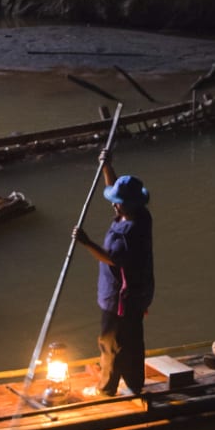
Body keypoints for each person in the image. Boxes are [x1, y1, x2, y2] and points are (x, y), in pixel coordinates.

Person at [72, 157, 154, 398]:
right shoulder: (142, 216)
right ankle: (134, 383)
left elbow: (111, 259)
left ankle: (106, 388)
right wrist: (107, 167)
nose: (114, 206)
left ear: (125, 205)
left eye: (117, 203)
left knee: (110, 342)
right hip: (140, 292)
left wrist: (86, 242)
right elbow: (115, 187)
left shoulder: (128, 234)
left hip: (121, 296)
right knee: (133, 338)